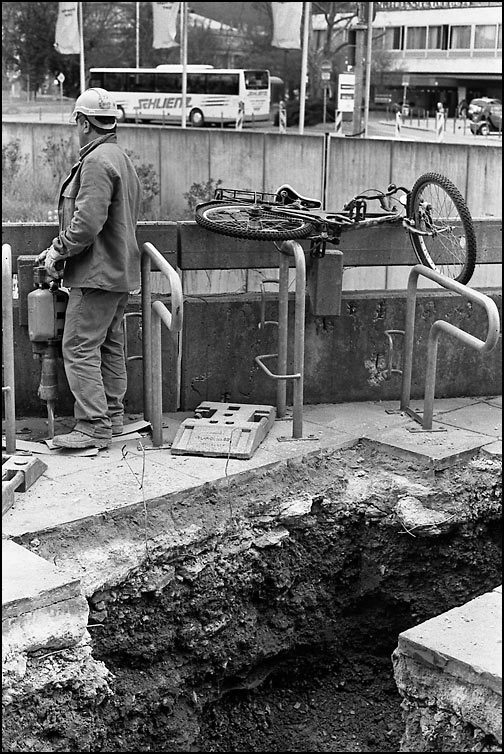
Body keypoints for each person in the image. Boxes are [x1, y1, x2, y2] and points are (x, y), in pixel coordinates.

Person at [36, 87, 142, 449]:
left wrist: (57, 252)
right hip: (120, 271)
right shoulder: (120, 158)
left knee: (79, 346)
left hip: (97, 274)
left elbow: (86, 223)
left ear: (83, 122)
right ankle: (111, 417)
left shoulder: (96, 162)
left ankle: (93, 426)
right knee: (108, 345)